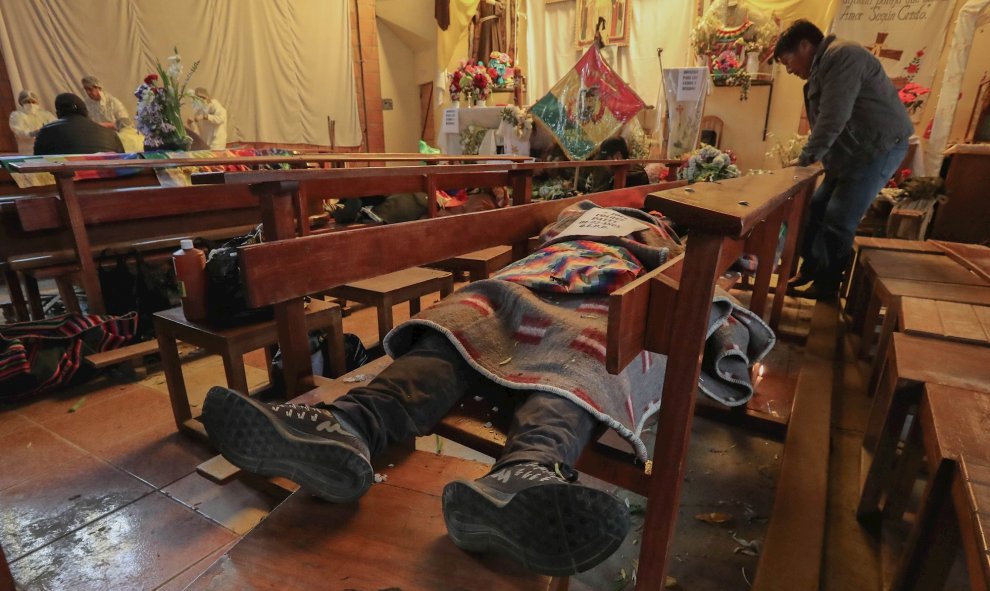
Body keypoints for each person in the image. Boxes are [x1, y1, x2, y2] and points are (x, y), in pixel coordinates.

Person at [202, 201, 775, 576]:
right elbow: (546, 238)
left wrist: (723, 335)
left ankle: (522, 477)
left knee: (584, 368)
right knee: (457, 331)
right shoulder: (577, 216)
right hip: (529, 283)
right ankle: (348, 426)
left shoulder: (669, 239)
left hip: (610, 304)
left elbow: (705, 299)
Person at [774, 20, 912, 300]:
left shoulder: (842, 56)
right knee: (815, 210)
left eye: (787, 61)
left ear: (804, 46)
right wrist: (812, 161)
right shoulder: (825, 65)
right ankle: (811, 270)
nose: (788, 69)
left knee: (839, 218)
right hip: (850, 154)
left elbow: (833, 118)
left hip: (877, 149)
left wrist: (805, 160)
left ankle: (827, 287)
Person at [33, 93, 125, 155]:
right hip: (108, 182)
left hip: (66, 182)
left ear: (58, 113)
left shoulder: (46, 132)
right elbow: (122, 161)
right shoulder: (110, 134)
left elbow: (39, 166)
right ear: (86, 111)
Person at [8, 90, 56, 154]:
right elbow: (18, 130)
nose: (31, 104)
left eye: (33, 102)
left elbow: (55, 126)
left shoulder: (46, 115)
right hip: (27, 150)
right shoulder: (16, 115)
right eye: (27, 102)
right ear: (21, 103)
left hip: (46, 148)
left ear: (37, 103)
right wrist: (31, 133)